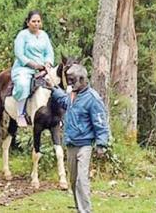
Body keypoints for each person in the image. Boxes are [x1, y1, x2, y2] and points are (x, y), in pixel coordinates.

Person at [48, 64, 110, 213]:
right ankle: (79, 209)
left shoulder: (92, 98)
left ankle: (85, 211)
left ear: (82, 79)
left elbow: (100, 122)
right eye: (68, 80)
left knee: (82, 181)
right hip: (71, 145)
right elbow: (64, 101)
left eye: (72, 80)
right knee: (74, 181)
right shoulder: (72, 95)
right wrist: (53, 88)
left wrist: (101, 143)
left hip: (85, 145)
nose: (69, 83)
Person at [11, 10, 54, 127]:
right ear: (27, 22)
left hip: (43, 68)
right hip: (24, 68)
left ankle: (57, 115)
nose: (36, 24)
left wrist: (48, 63)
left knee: (55, 83)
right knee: (23, 84)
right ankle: (20, 114)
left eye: (38, 21)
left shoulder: (44, 35)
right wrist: (34, 65)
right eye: (33, 21)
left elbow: (49, 53)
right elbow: (19, 54)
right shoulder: (22, 35)